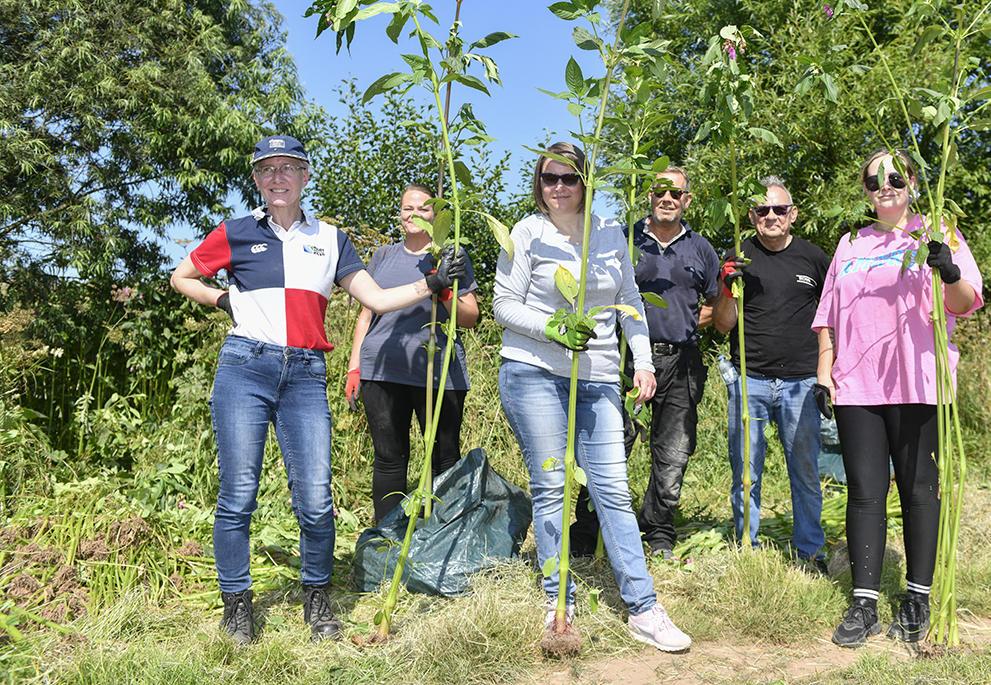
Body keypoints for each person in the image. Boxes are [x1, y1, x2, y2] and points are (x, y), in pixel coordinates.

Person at [170, 136, 467, 646]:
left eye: (288, 169)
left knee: (313, 497)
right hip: (245, 368)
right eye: (267, 170)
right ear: (258, 180)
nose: (277, 178)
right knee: (238, 494)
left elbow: (374, 297)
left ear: (305, 177)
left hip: (305, 373)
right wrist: (222, 299)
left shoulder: (331, 239)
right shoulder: (236, 232)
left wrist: (432, 283)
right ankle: (236, 606)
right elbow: (181, 277)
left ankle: (317, 596)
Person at [493, 142, 691, 652]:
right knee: (553, 486)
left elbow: (628, 302)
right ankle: (558, 601)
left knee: (612, 488)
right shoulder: (527, 234)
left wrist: (642, 361)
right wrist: (554, 327)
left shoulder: (608, 234)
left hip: (600, 378)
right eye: (548, 178)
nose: (557, 188)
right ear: (539, 184)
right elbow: (503, 306)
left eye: (569, 178)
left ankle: (644, 608)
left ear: (587, 182)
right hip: (534, 372)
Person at [812, 149, 982, 648]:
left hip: (919, 380)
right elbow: (827, 315)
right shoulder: (849, 243)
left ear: (911, 180)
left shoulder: (936, 230)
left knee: (918, 491)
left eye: (893, 176)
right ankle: (863, 602)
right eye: (872, 180)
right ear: (865, 190)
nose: (883, 185)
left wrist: (948, 272)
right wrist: (825, 373)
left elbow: (966, 304)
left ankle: (917, 596)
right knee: (865, 492)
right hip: (857, 384)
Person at [713, 176, 831, 569]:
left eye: (779, 209)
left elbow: (832, 318)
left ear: (793, 214)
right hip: (750, 380)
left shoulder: (814, 258)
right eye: (762, 210)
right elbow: (724, 325)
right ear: (752, 215)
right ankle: (748, 549)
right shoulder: (738, 256)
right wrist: (728, 287)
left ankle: (810, 551)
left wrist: (827, 374)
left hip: (801, 382)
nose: (771, 217)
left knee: (805, 472)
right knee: (746, 473)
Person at [345, 183, 480, 524]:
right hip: (382, 368)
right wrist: (354, 366)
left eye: (423, 208)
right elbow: (367, 314)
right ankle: (389, 538)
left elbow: (471, 318)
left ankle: (444, 535)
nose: (414, 214)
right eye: (408, 208)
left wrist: (445, 288)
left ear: (437, 215)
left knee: (444, 457)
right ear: (400, 212)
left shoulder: (450, 256)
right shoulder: (383, 256)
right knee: (389, 457)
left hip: (438, 371)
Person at [625, 165, 720, 555]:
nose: (667, 198)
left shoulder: (701, 249)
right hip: (624, 359)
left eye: (676, 193)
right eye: (660, 191)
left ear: (687, 200)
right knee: (613, 442)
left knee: (674, 451)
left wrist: (679, 324)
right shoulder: (625, 240)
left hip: (681, 361)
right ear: (648, 194)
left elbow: (713, 303)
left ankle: (658, 529)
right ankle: (590, 526)